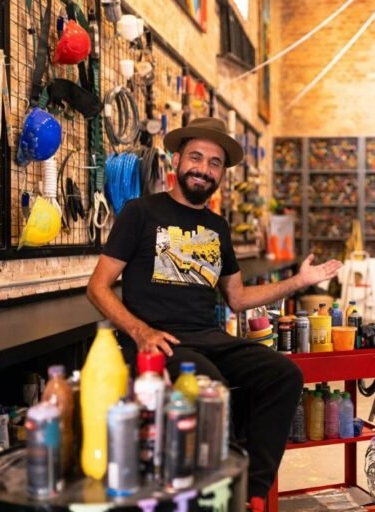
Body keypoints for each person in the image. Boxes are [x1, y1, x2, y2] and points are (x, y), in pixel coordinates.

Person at [87, 117, 343, 511]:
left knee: (284, 374)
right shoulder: (140, 213)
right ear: (177, 160)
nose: (204, 169)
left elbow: (237, 298)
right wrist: (140, 332)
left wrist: (299, 280)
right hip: (157, 343)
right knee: (212, 389)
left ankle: (250, 493)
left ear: (221, 173)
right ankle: (217, 492)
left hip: (208, 338)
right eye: (196, 157)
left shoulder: (217, 226)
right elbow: (97, 287)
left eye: (214, 163)